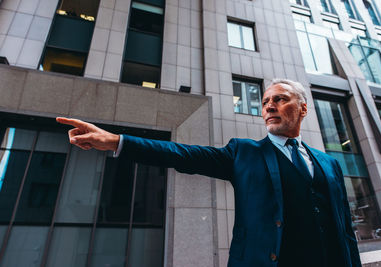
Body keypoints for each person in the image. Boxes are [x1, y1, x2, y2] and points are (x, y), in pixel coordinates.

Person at [57, 78, 362, 267]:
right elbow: (183, 154)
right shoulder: (244, 152)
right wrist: (116, 141)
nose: (269, 105)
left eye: (280, 99)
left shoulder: (329, 163)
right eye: (266, 101)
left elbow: (346, 232)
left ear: (303, 109)